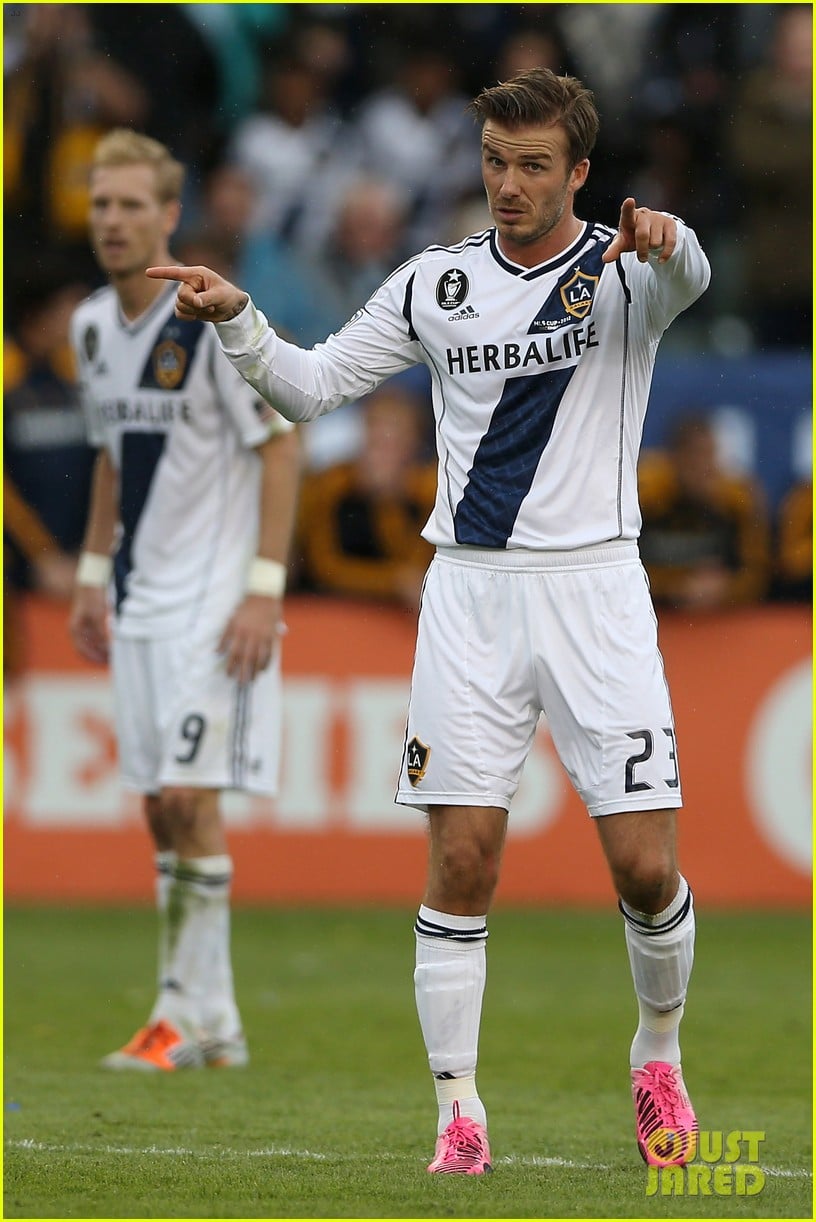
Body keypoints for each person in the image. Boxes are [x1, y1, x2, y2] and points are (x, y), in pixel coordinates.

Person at [148, 68, 710, 1171]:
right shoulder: (432, 285)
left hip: (596, 589)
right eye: (496, 162)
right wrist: (240, 320)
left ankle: (659, 1055)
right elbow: (308, 389)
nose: (509, 184)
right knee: (460, 859)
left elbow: (689, 268)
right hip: (468, 595)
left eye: (534, 164)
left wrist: (666, 232)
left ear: (579, 173)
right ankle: (458, 1108)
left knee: (645, 868)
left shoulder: (627, 271)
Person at [69, 129, 300, 1072]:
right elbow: (110, 456)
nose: (113, 221)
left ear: (169, 214)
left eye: (131, 205)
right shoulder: (90, 328)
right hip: (139, 602)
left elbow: (281, 442)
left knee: (184, 797)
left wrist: (262, 591)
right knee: (162, 812)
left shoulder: (202, 319)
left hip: (214, 601)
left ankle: (179, 1015)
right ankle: (219, 1022)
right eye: (100, 204)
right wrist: (91, 574)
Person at [295, 386, 436, 611]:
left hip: (399, 624)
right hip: (335, 612)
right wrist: (392, 581)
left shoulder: (429, 490)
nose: (382, 454)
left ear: (414, 444)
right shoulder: (332, 485)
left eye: (393, 442)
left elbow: (420, 568)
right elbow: (322, 566)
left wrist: (389, 505)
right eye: (375, 439)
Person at [638, 414, 771, 610]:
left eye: (709, 455)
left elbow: (759, 573)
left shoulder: (735, 501)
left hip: (719, 621)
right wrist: (674, 587)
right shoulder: (646, 497)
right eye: (695, 456)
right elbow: (613, 567)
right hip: (653, 613)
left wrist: (727, 588)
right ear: (674, 458)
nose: (704, 467)